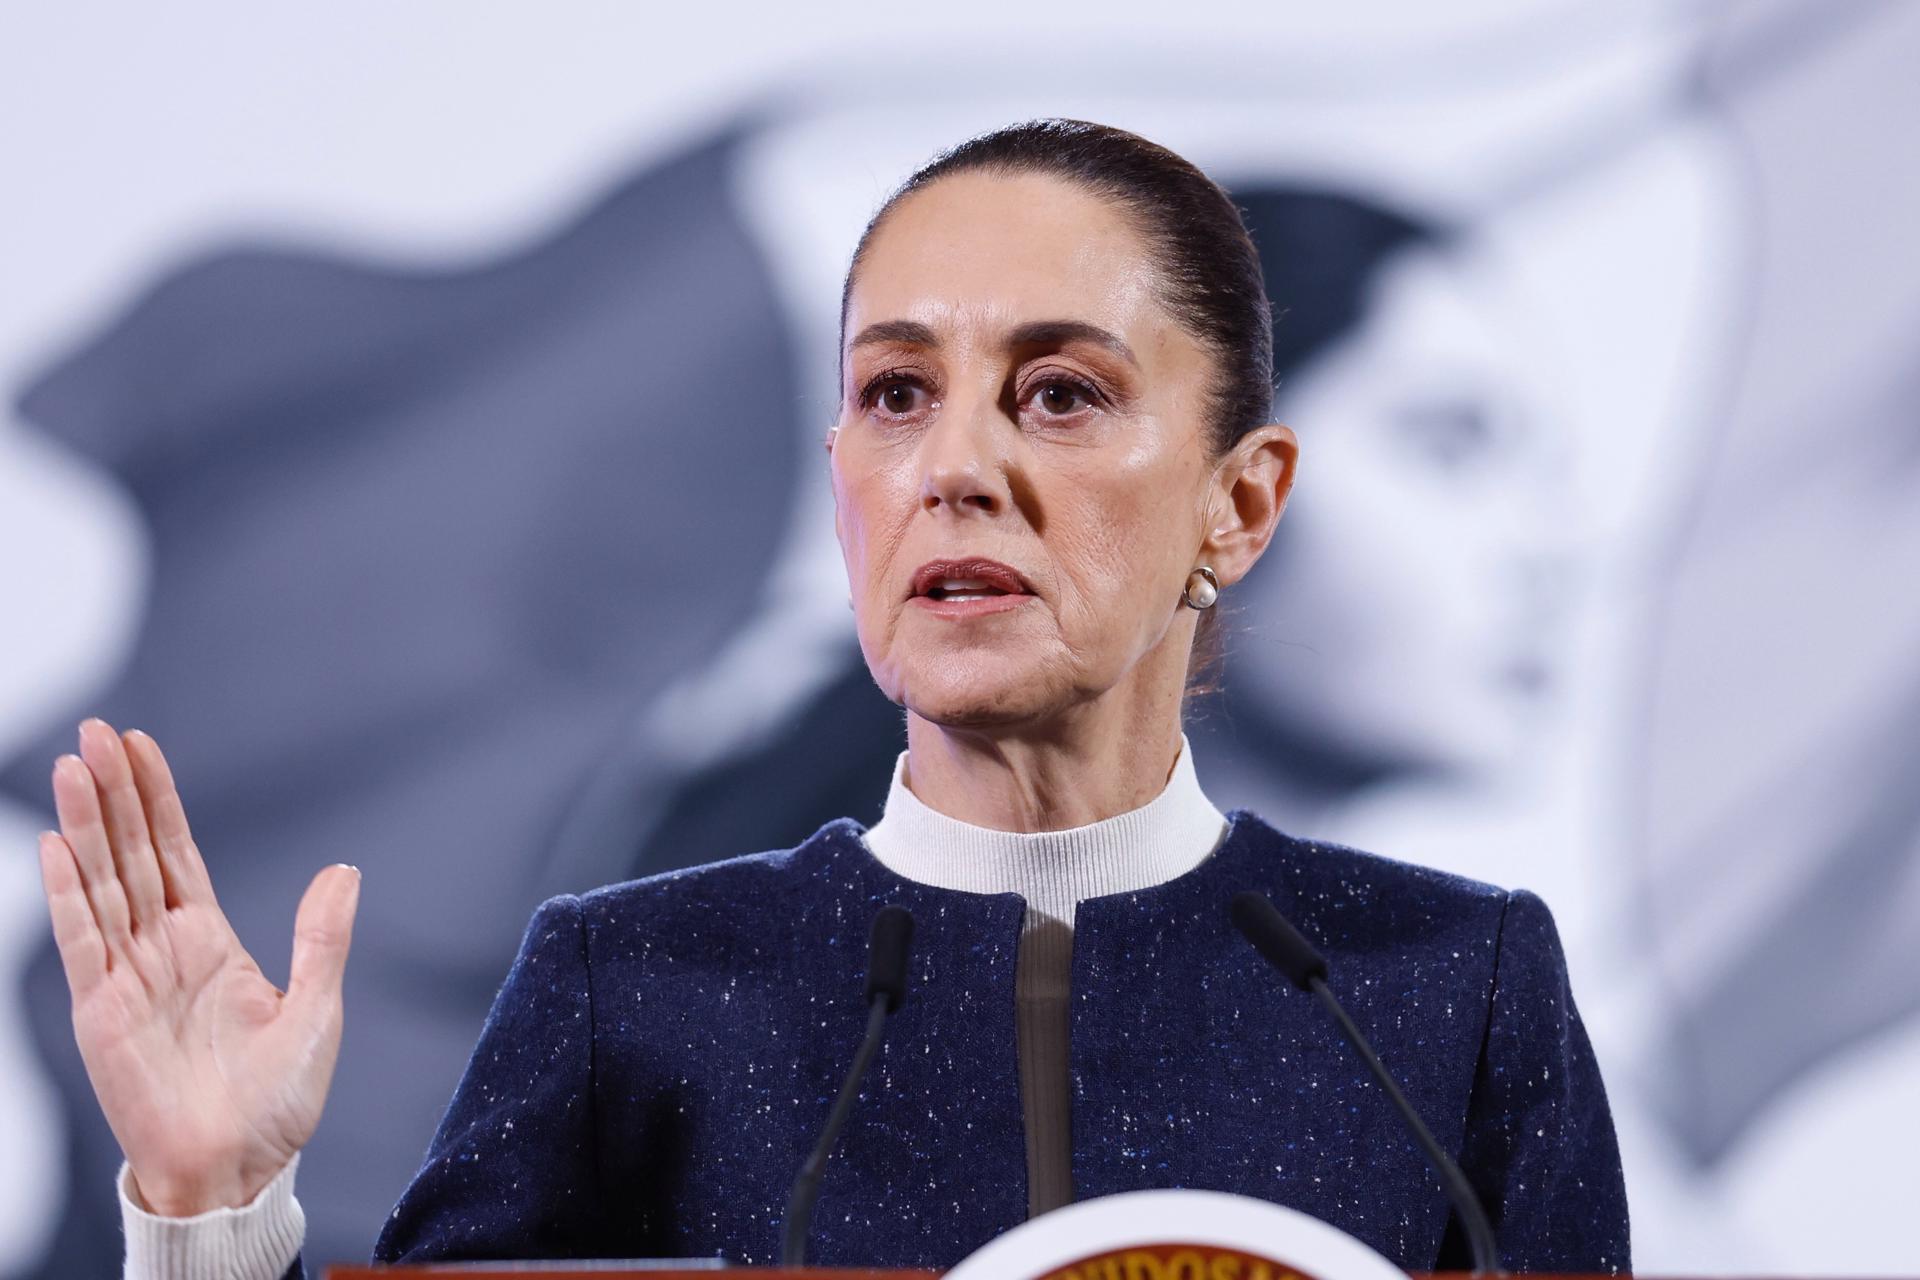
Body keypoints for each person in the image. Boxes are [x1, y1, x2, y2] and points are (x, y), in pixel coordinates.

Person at [34, 118, 1629, 1278]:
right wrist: (212, 1214)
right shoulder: (627, 981)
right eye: (896, 398)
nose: (961, 472)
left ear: (1238, 504)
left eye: (1063, 396)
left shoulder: (1459, 992)